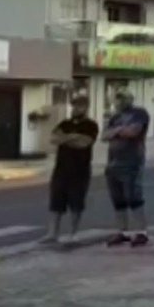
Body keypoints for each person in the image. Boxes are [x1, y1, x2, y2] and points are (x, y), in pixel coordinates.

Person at [43, 95, 99, 243]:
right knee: (56, 202)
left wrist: (66, 138)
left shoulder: (91, 125)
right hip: (61, 168)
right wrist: (73, 137)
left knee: (76, 203)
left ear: (86, 107)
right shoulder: (65, 123)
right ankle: (52, 233)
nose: (75, 108)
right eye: (74, 105)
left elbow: (85, 143)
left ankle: (73, 233)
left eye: (79, 106)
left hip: (80, 170)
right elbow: (53, 139)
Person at [101, 90, 152, 247]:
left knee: (134, 198)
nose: (120, 101)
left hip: (132, 162)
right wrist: (119, 131)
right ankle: (122, 232)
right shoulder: (115, 117)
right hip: (113, 163)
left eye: (123, 98)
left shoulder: (139, 113)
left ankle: (142, 232)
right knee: (118, 200)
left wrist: (115, 132)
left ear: (130, 99)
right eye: (118, 98)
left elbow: (133, 132)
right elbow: (104, 136)